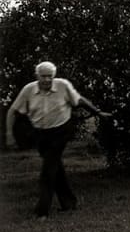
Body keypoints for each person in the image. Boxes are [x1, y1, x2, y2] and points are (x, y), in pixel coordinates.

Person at [5, 61, 112, 218]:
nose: (47, 80)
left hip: (61, 131)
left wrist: (98, 112)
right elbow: (12, 111)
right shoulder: (28, 90)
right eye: (43, 76)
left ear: (54, 76)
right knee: (55, 167)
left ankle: (41, 212)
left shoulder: (63, 85)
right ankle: (69, 203)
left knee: (48, 170)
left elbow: (79, 100)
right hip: (40, 133)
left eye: (50, 76)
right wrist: (9, 134)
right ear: (37, 76)